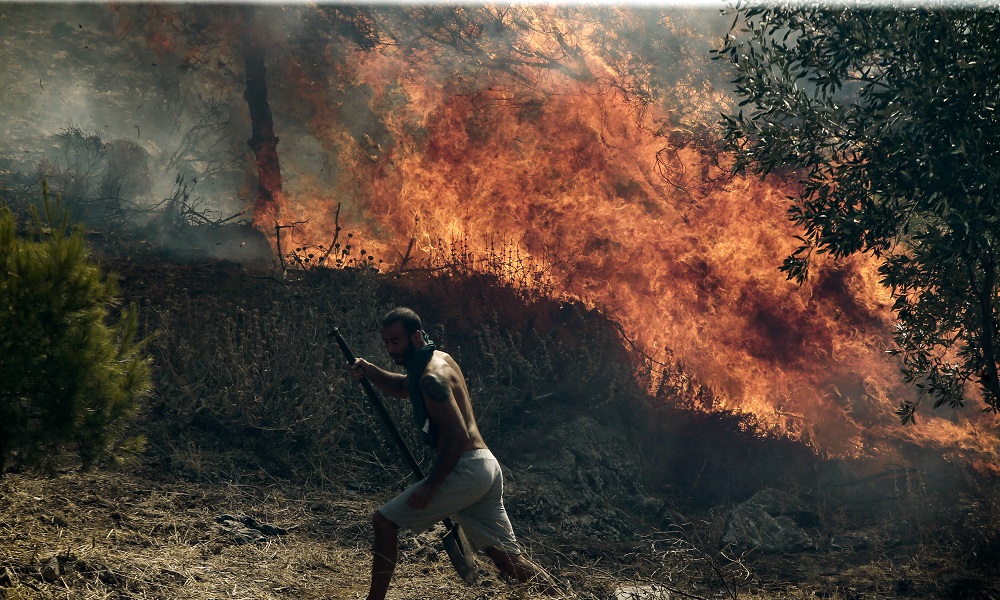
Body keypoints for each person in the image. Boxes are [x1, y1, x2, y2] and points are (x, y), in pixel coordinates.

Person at [348, 306, 550, 600]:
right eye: (386, 342)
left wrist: (431, 486)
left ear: (415, 336)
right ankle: (561, 595)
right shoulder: (438, 359)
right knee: (506, 559)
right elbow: (405, 387)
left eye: (396, 341)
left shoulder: (431, 378)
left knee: (384, 522)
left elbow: (457, 434)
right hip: (484, 467)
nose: (390, 349)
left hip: (465, 468)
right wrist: (369, 370)